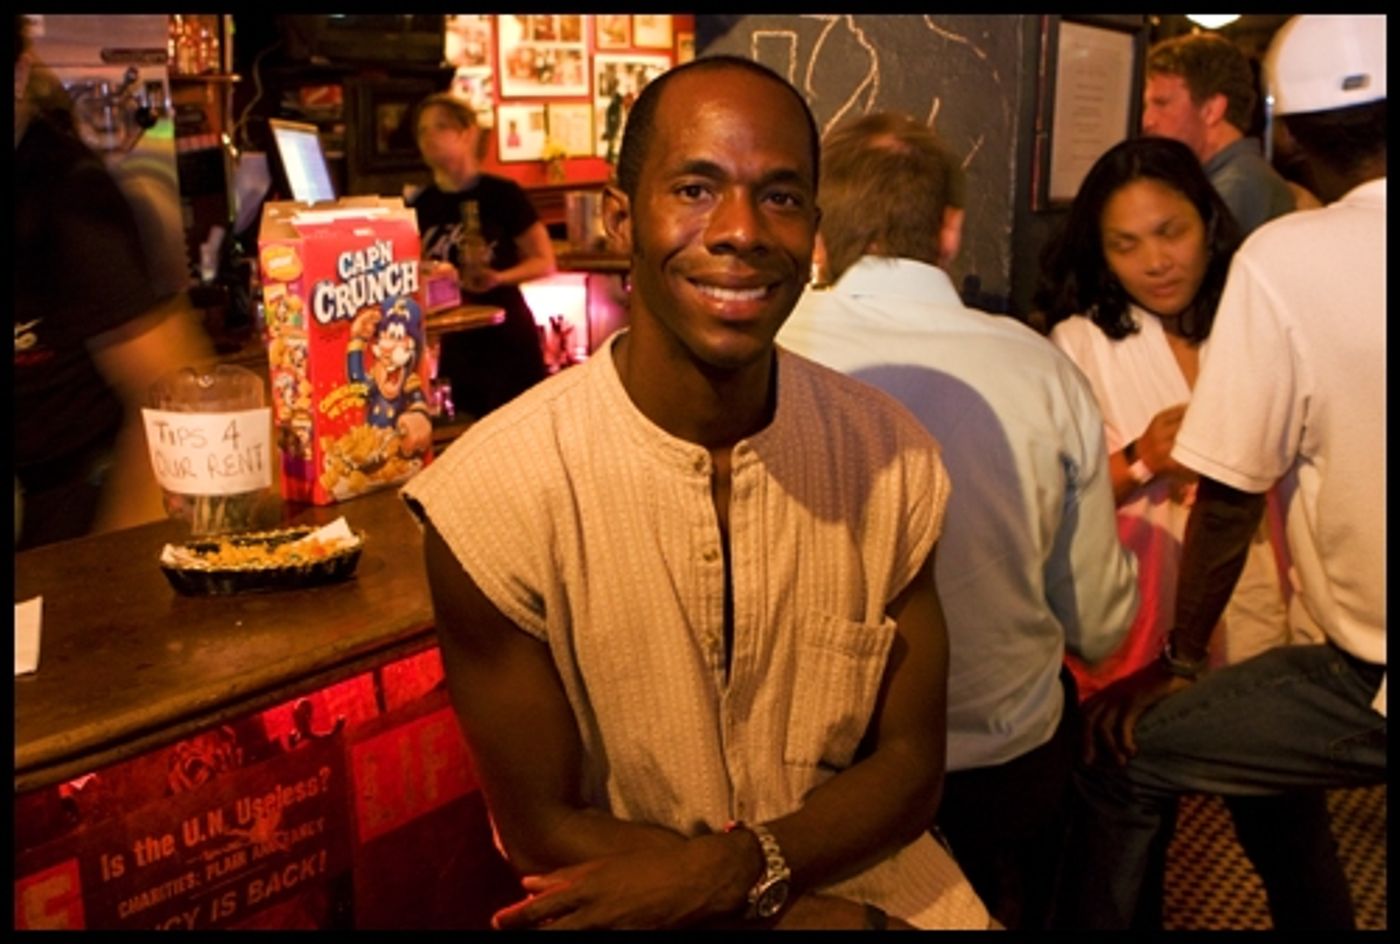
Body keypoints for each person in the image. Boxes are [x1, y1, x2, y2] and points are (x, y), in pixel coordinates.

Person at [401, 56, 990, 930]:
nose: (742, 230)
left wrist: (742, 871)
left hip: (875, 884)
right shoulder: (494, 499)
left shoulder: (889, 458)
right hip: (640, 905)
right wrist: (806, 919)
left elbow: (910, 766)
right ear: (621, 215)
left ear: (815, 235)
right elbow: (541, 828)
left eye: (781, 197)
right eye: (697, 188)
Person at [1060, 15, 1386, 929]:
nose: (1156, 260)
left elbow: (1244, 493)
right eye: (1127, 244)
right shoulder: (1081, 345)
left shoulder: (1278, 277)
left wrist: (1188, 658)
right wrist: (1142, 458)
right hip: (1166, 628)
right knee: (1161, 797)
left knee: (1267, 824)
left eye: (1171, 231)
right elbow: (1070, 501)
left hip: (1306, 646)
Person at [778, 112, 1138, 929]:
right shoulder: (1039, 367)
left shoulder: (768, 355)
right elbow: (1097, 620)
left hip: (812, 782)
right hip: (1001, 768)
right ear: (950, 228)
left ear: (819, 232)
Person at [15, 16, 212, 550]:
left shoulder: (68, 196)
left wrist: (108, 581)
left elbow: (172, 396)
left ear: (19, 75)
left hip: (69, 508)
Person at [409, 93, 550, 420]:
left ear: (467, 132)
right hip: (455, 342)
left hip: (506, 335)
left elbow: (544, 261)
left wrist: (498, 277)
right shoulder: (421, 204)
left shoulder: (502, 195)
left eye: (440, 127)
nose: (428, 138)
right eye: (422, 130)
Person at [1142, 31, 1297, 235]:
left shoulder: (1236, 188)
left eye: (1161, 103)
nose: (1147, 121)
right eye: (1146, 106)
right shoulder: (1236, 178)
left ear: (1212, 110)